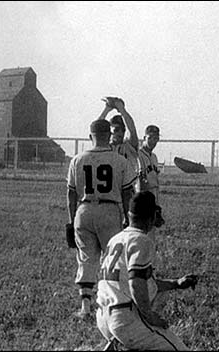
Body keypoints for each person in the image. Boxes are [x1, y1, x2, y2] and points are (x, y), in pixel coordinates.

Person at [96, 191, 198, 351]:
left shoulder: (115, 239)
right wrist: (149, 316)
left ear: (129, 215)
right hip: (125, 319)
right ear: (151, 217)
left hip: (103, 317)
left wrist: (176, 283)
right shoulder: (141, 240)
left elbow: (139, 281)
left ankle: (119, 344)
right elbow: (136, 283)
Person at [67, 119, 137, 319]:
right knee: (113, 258)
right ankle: (112, 304)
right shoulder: (119, 160)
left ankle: (85, 307)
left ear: (91, 137)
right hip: (109, 210)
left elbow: (71, 195)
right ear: (109, 135)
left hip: (84, 210)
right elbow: (127, 194)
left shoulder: (77, 160)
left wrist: (72, 221)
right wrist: (128, 219)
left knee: (86, 259)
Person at [97, 96, 140, 227]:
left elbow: (132, 129)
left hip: (126, 193)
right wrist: (106, 110)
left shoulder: (129, 146)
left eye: (120, 129)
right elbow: (96, 129)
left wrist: (121, 108)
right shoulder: (105, 146)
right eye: (114, 130)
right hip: (108, 195)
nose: (117, 133)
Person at [136, 124, 165, 241]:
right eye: (150, 137)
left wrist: (156, 206)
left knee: (150, 239)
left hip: (153, 199)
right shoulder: (138, 155)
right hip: (143, 200)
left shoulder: (154, 157)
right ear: (144, 138)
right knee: (142, 238)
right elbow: (139, 182)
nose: (153, 141)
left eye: (156, 138)